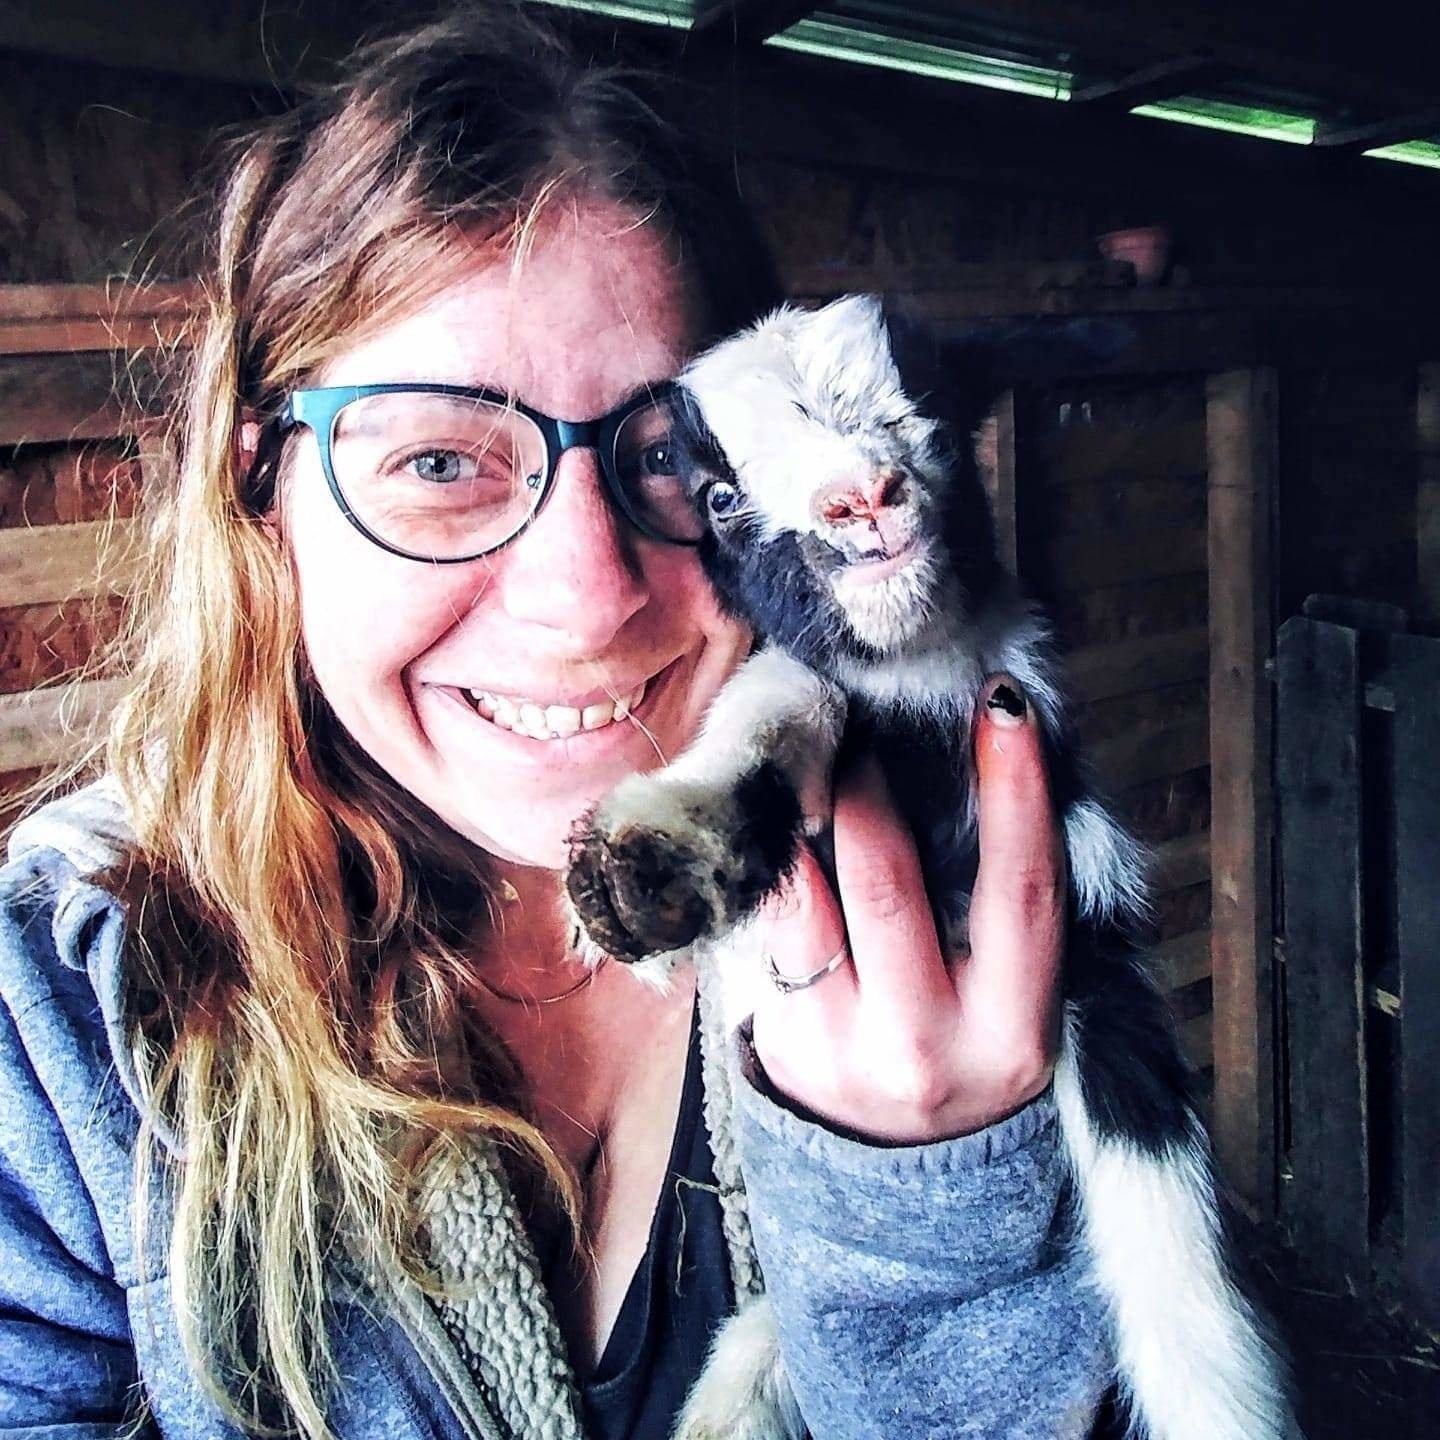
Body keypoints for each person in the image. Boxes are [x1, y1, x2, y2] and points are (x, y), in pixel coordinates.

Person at [0, 7, 1112, 1438]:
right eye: (444, 459)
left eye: (675, 463)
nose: (590, 599)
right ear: (261, 490)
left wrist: (937, 1251)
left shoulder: (956, 893)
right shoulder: (60, 1014)